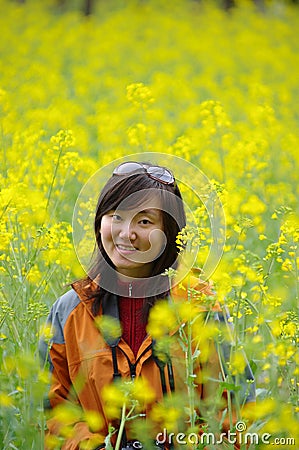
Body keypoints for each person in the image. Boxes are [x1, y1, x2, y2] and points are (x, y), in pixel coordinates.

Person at [40, 161, 255, 450]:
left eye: (144, 222)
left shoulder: (201, 308)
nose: (125, 233)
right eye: (116, 216)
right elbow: (52, 411)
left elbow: (234, 412)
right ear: (99, 221)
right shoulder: (68, 311)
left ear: (170, 233)